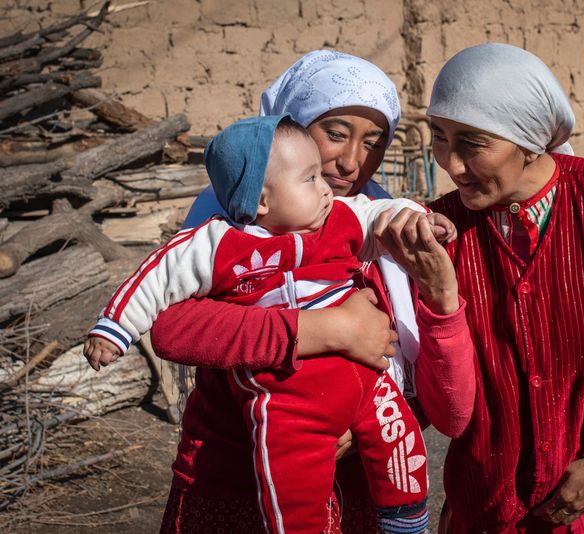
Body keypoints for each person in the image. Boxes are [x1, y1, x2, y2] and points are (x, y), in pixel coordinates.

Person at [110, 50, 470, 533]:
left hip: (364, 485)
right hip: (237, 478)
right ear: (290, 127)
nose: (351, 161)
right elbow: (174, 331)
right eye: (335, 133)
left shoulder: (388, 220)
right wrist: (322, 329)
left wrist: (367, 415)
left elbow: (430, 365)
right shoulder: (228, 219)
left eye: (374, 141)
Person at [374, 43, 584, 534]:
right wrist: (441, 299)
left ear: (531, 140)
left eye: (472, 143)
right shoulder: (441, 233)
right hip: (492, 513)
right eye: (439, 137)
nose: (450, 165)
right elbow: (450, 414)